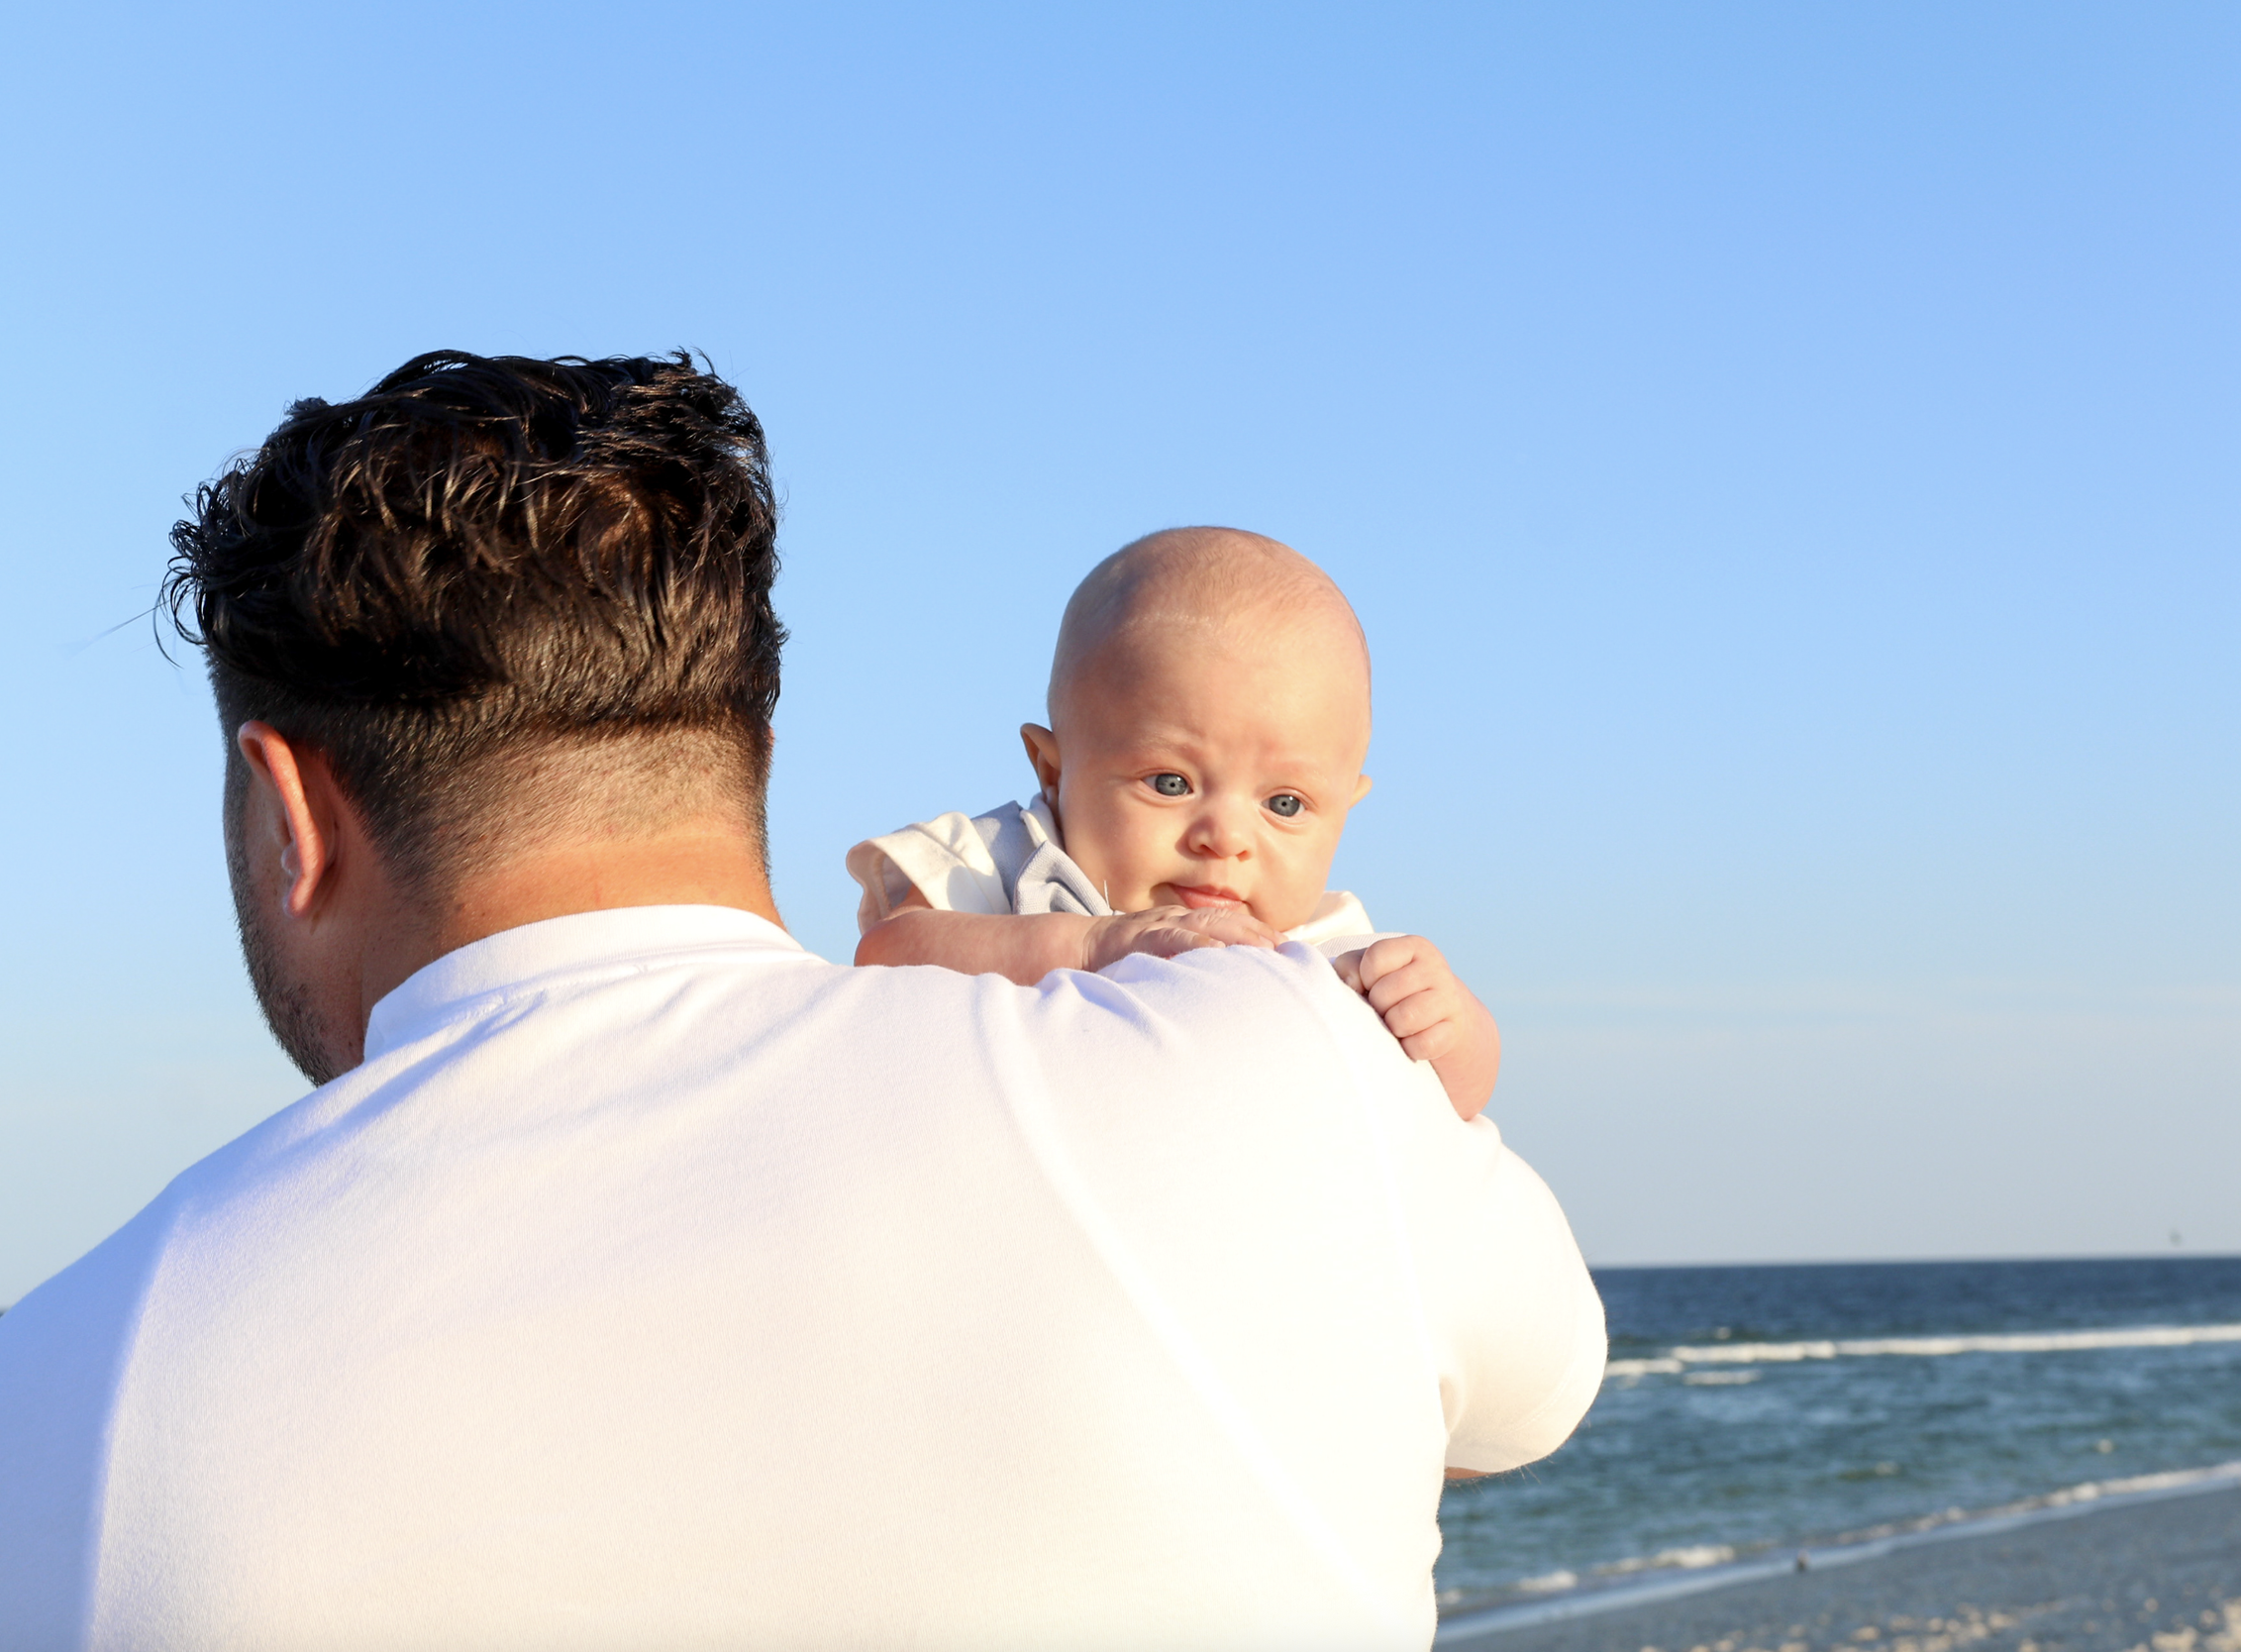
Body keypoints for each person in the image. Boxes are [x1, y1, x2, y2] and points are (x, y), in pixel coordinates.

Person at [0, 352, 1605, 1650]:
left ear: (288, 809)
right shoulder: (1289, 1050)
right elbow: (1536, 1391)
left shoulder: (58, 1407)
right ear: (746, 740)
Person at [848, 527, 1502, 1118]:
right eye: (1170, 783)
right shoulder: (998, 861)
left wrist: (1451, 1024)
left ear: (1345, 808)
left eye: (1285, 805)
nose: (1226, 838)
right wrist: (1088, 946)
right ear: (1053, 771)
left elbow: (1460, 1101)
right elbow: (889, 953)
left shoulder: (1327, 946)